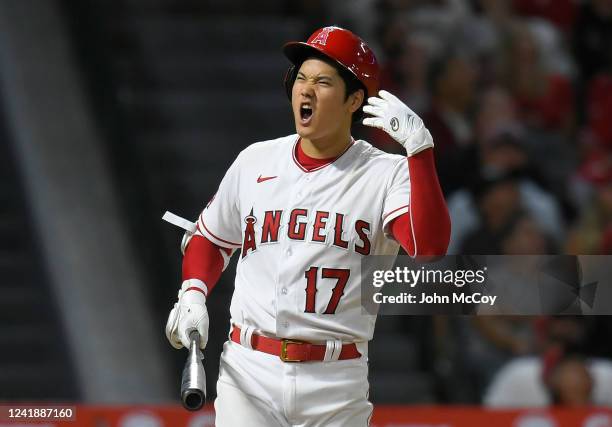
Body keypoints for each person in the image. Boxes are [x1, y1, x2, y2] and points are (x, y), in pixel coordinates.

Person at [164, 26, 450, 426]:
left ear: (354, 99)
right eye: (300, 78)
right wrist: (193, 293)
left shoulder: (388, 174)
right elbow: (210, 239)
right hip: (249, 371)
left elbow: (430, 248)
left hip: (336, 379)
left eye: (322, 81)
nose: (306, 90)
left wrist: (420, 152)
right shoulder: (255, 161)